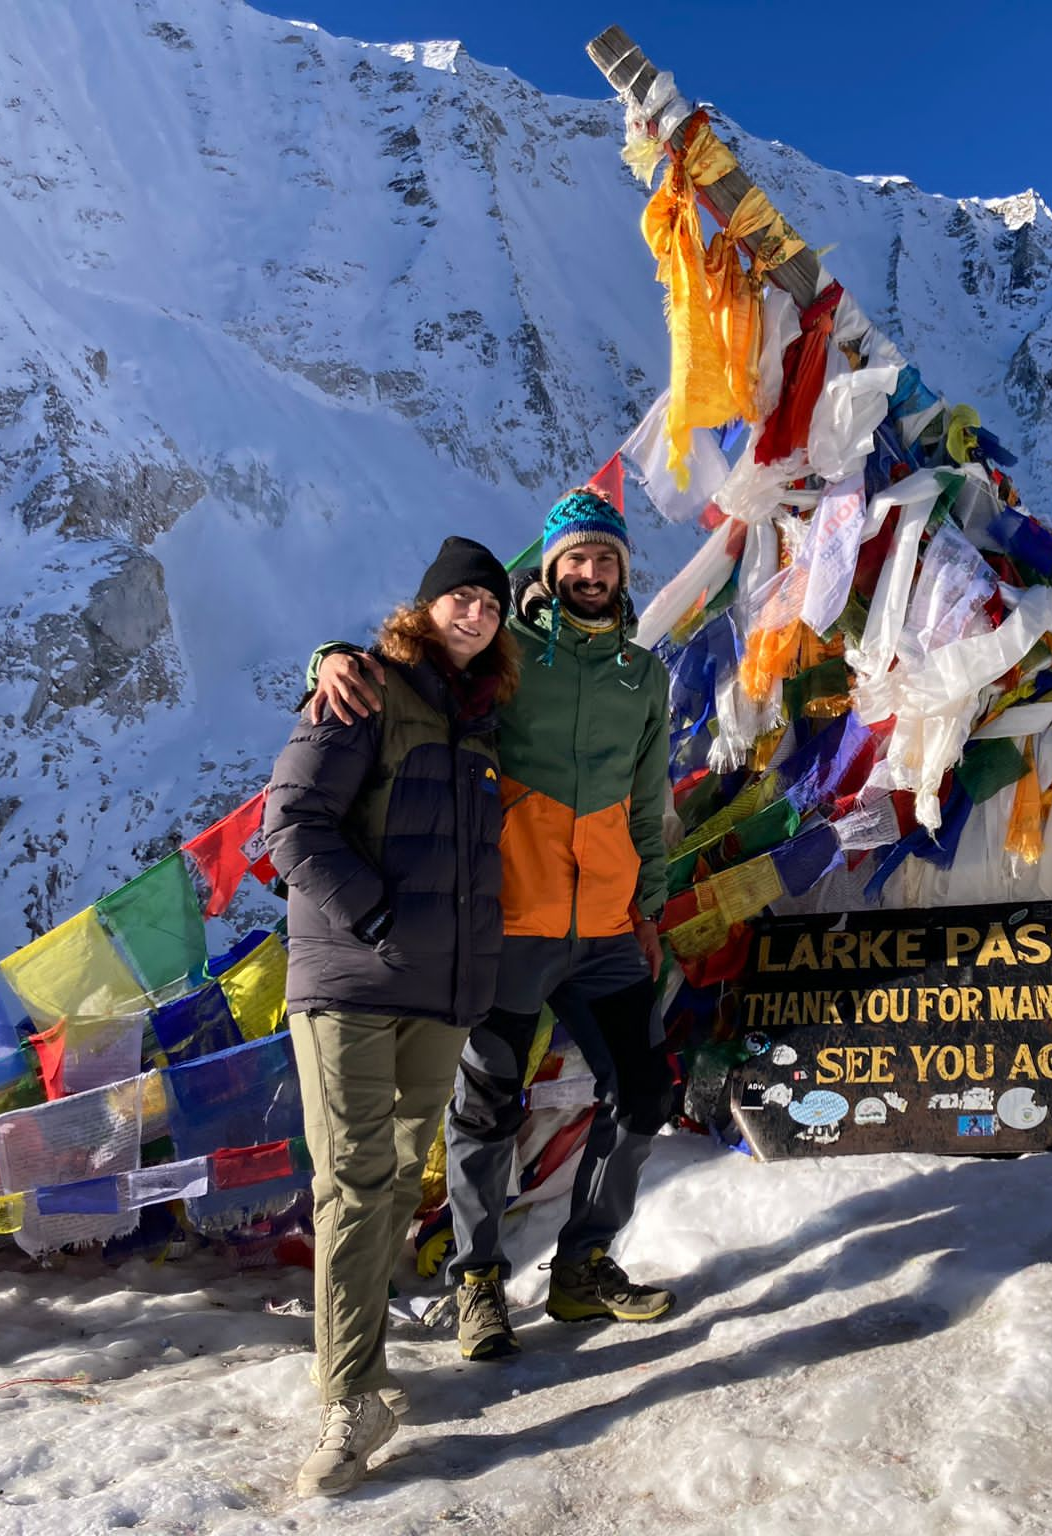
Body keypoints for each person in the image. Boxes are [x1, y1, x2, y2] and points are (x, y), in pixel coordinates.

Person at [307, 485, 679, 1364]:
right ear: (550, 572)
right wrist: (327, 656)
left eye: (606, 559)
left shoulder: (644, 674)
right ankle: (475, 1279)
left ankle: (585, 1263)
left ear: (623, 572)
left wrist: (651, 909)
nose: (591, 573)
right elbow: (412, 667)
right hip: (509, 925)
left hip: (607, 932)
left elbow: (649, 800)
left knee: (646, 1092)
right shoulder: (509, 657)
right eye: (576, 559)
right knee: (485, 1109)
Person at [264, 536, 517, 1499]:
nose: (474, 615)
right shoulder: (364, 688)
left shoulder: (482, 719)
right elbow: (288, 821)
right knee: (358, 1186)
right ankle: (351, 1395)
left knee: (393, 1180)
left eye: (490, 606)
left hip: (440, 995)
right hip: (354, 983)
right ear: (424, 607)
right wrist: (371, 914)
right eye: (458, 599)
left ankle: (358, 1357)